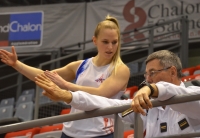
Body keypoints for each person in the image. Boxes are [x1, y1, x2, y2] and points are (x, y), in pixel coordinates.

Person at [0, 15, 130, 138]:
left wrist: (66, 85)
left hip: (100, 134)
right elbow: (43, 76)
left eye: (114, 42)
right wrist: (17, 64)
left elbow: (100, 95)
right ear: (94, 40)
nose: (110, 47)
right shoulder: (81, 65)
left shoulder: (120, 69)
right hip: (70, 132)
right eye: (105, 42)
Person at [35, 50, 200, 137]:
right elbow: (108, 103)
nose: (148, 79)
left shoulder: (194, 94)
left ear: (172, 72)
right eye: (146, 75)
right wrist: (69, 96)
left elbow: (175, 95)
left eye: (152, 73)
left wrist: (151, 89)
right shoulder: (147, 107)